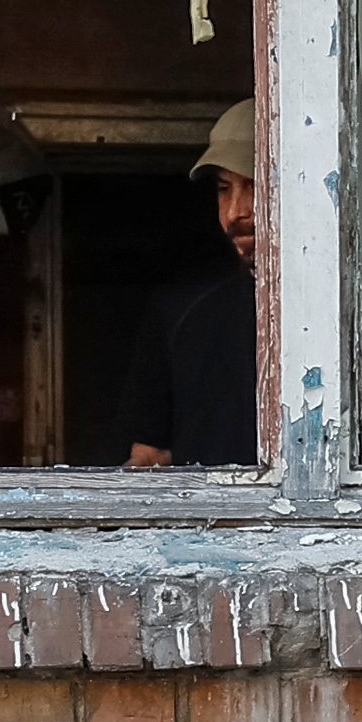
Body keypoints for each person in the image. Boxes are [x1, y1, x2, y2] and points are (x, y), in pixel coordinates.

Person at [110, 102, 261, 470]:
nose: (235, 213)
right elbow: (149, 459)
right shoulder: (181, 311)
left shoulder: (360, 308)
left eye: (254, 184)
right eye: (224, 188)